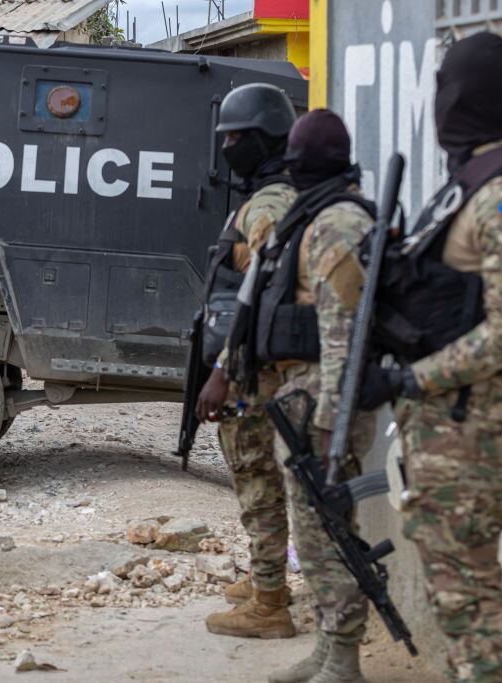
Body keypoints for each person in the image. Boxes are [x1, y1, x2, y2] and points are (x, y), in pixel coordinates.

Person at [357, 32, 502, 683]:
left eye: (447, 87)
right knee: (454, 591)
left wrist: (409, 377)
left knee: (470, 597)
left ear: (469, 95)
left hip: (470, 424)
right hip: (441, 424)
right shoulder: (463, 188)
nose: (440, 104)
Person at [227, 109, 377, 683]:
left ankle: (344, 659)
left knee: (329, 532)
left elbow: (343, 331)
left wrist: (331, 428)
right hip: (310, 396)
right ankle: (329, 648)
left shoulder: (337, 222)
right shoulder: (322, 212)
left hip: (326, 402)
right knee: (316, 534)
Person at [195, 82, 299, 640]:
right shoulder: (266, 195)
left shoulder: (272, 205)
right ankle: (268, 579)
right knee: (256, 479)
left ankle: (269, 604)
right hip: (250, 365)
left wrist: (222, 373)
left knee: (256, 478)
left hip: (250, 371)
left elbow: (259, 298)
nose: (227, 146)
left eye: (235, 137)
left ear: (262, 139)